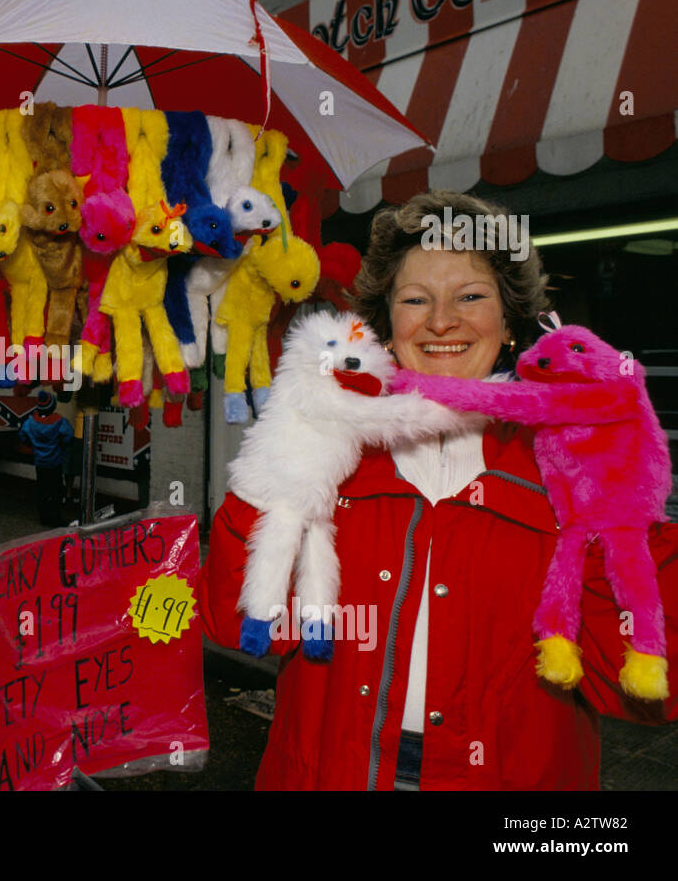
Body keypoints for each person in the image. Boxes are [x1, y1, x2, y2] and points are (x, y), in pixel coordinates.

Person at [199, 190, 678, 790]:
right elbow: (234, 623)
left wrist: (633, 502)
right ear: (387, 323)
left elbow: (640, 690)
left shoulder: (563, 465)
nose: (442, 321)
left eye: (471, 297)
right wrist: (270, 463)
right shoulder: (334, 446)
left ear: (509, 323)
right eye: (416, 299)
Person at [18, 389, 73, 526]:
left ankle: (44, 517)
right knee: (56, 490)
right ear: (53, 406)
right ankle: (55, 517)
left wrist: (32, 444)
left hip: (40, 462)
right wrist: (62, 446)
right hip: (55, 462)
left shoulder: (30, 422)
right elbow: (69, 436)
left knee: (42, 490)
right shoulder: (59, 421)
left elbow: (22, 436)